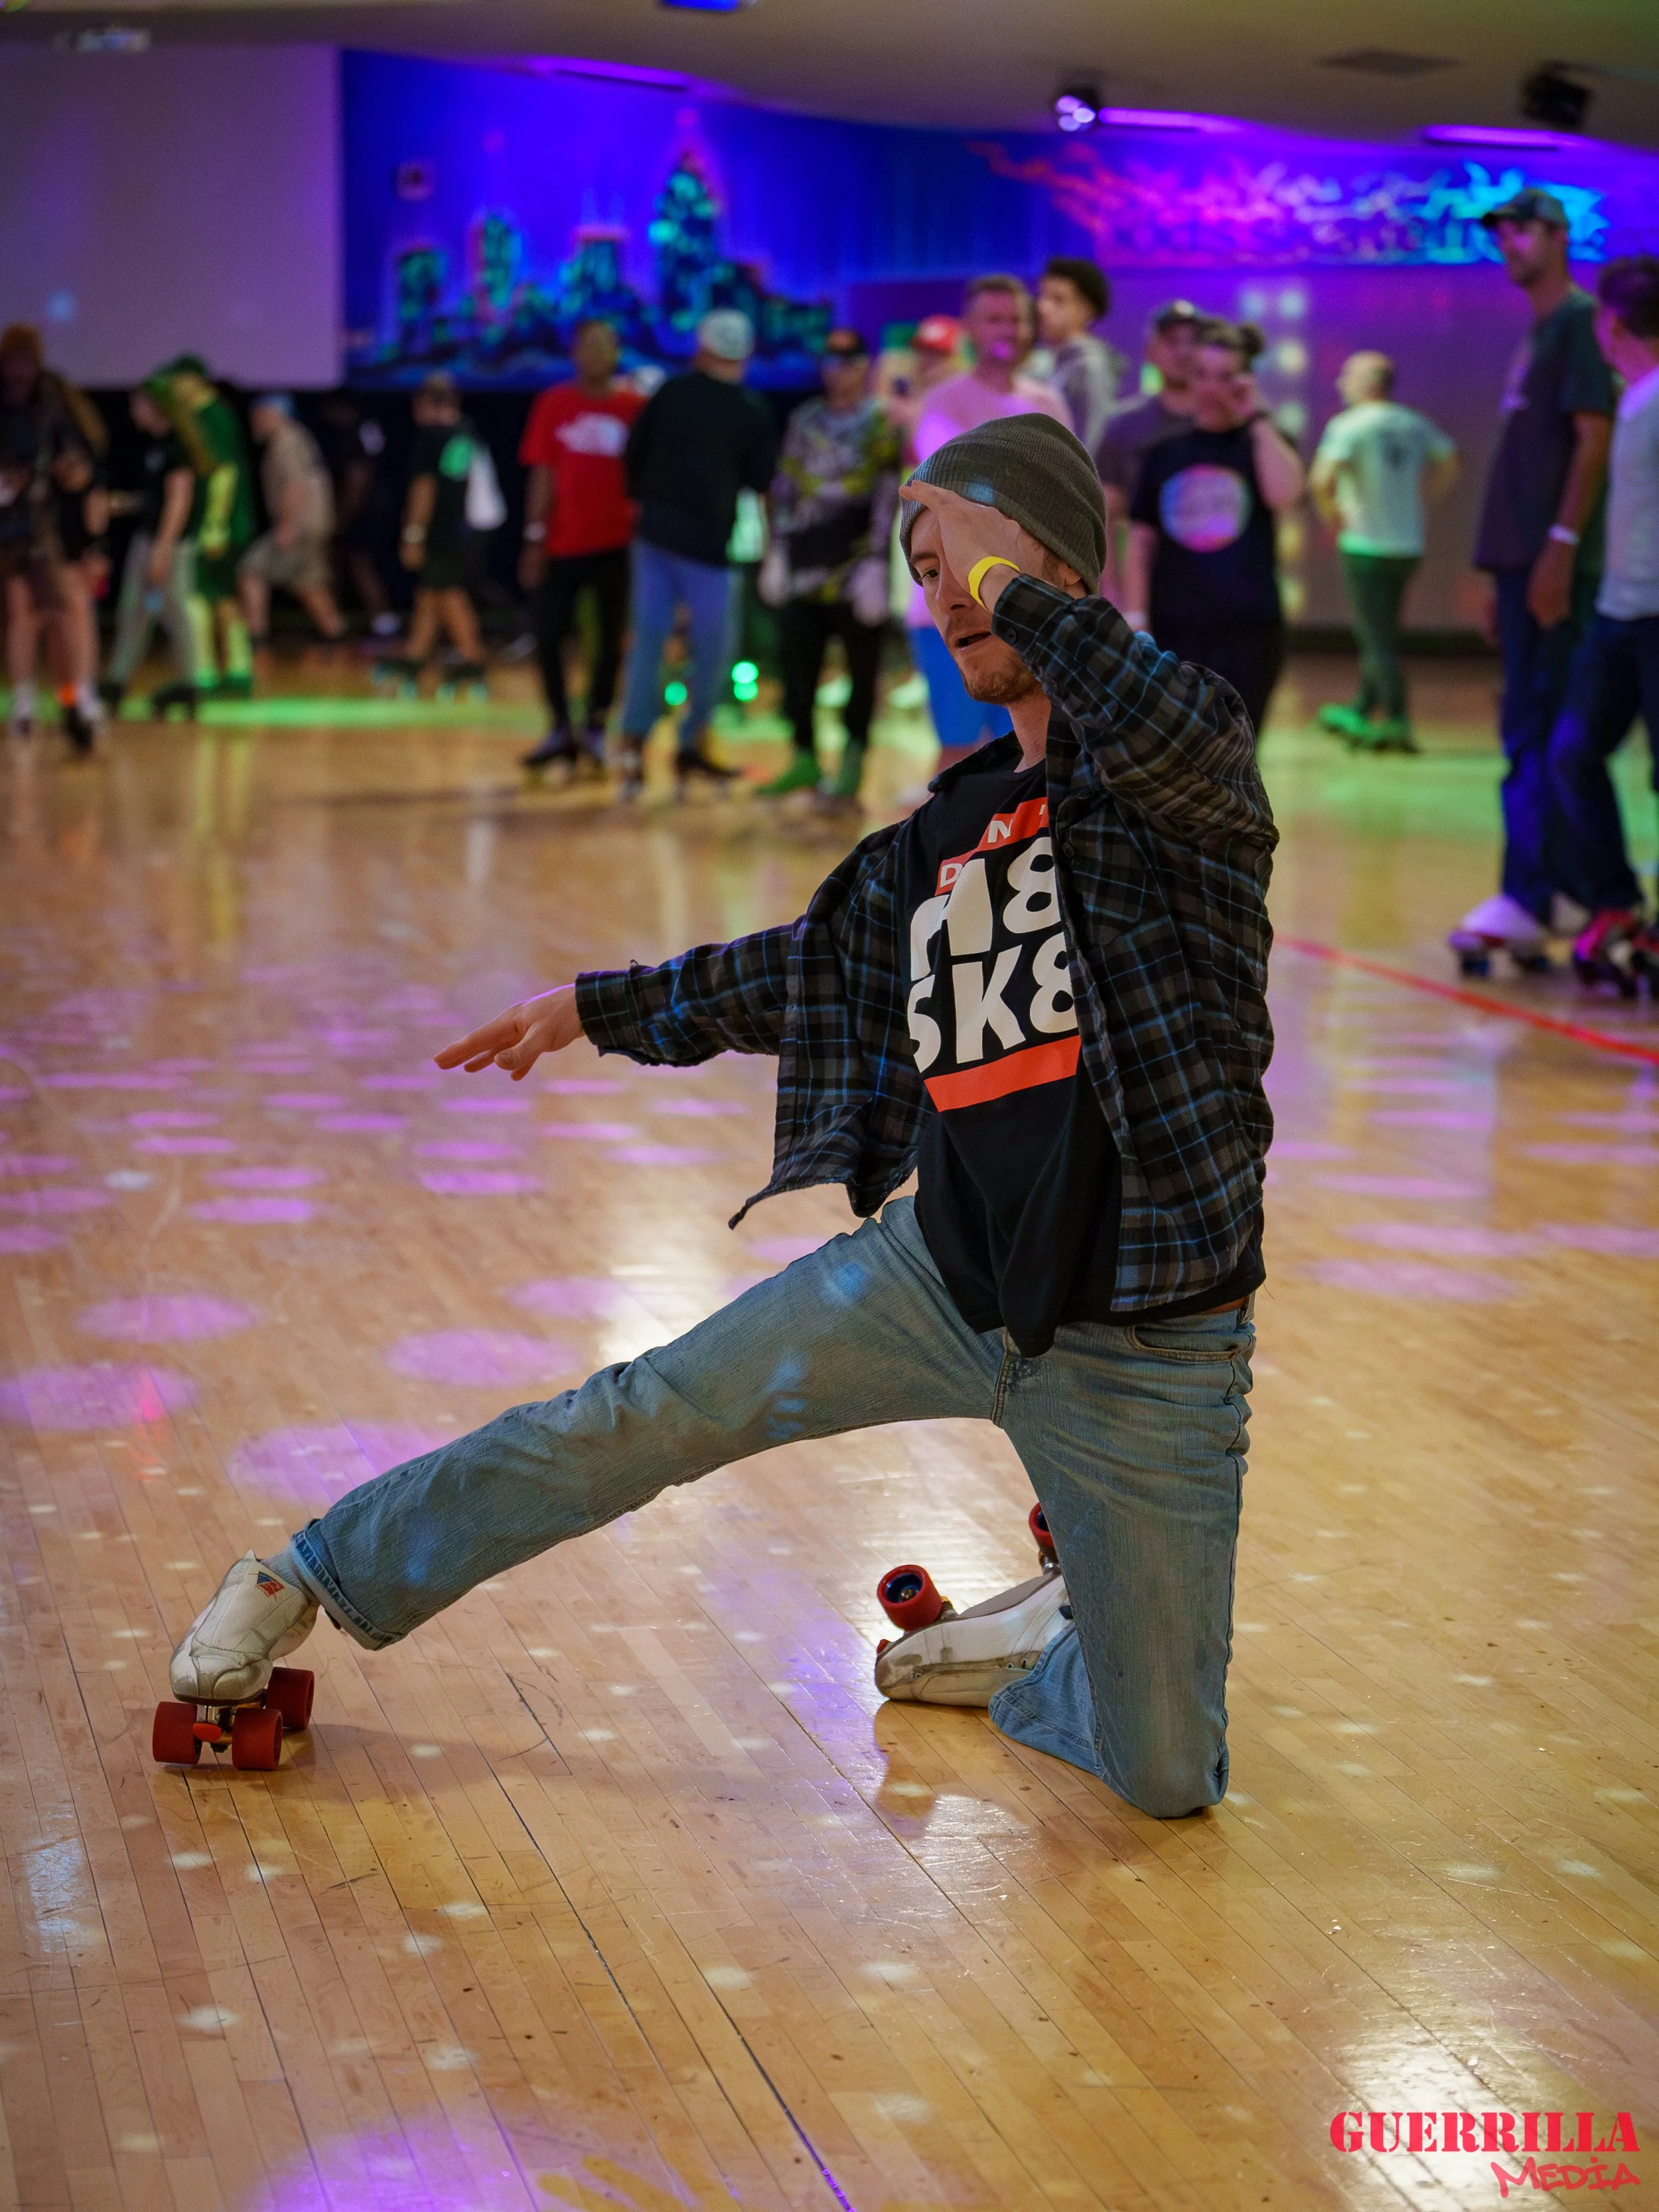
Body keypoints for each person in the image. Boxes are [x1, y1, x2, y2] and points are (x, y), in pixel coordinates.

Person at [166, 410, 1275, 1826]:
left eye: (966, 559)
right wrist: (598, 1003)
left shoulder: (1183, 780)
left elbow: (1154, 708)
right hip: (941, 1277)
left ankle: (1064, 1633)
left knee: (1168, 1775)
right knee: (642, 1413)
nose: (940, 593)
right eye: (922, 567)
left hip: (1148, 1342)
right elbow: (799, 974)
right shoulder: (942, 833)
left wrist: (1007, 574)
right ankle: (311, 1571)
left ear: (1055, 562)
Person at [1449, 188, 1616, 974]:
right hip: (1519, 570)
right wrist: (1500, 573)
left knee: (1538, 733)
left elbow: (1593, 442)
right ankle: (1552, 891)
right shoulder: (1539, 333)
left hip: (1552, 570)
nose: (1509, 243)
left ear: (1558, 236)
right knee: (1528, 729)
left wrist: (1557, 547)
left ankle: (1535, 893)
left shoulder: (1580, 323)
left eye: (1523, 229)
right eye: (1502, 232)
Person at [1546, 258, 1659, 984]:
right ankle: (1616, 902)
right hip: (1619, 614)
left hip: (1653, 618)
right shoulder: (1633, 399)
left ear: (1608, 324)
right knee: (1573, 754)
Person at [905, 275, 1070, 771]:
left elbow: (1065, 502)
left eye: (1016, 318)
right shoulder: (941, 403)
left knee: (1031, 747)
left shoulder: (1047, 403)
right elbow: (949, 497)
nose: (1008, 329)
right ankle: (952, 849)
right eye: (994, 318)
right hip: (952, 602)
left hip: (1030, 604)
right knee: (957, 751)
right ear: (971, 329)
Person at [616, 309, 778, 798]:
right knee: (713, 652)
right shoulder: (750, 409)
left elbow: (632, 460)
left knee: (649, 643)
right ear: (745, 355)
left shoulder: (670, 393)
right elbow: (759, 481)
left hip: (657, 538)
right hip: (709, 548)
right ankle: (689, 745)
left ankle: (632, 748)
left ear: (700, 348)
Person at [1125, 319, 1306, 736]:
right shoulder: (1161, 453)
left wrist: (1256, 417)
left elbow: (1285, 496)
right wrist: (1137, 620)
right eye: (1202, 375)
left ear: (1246, 381)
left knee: (1239, 754)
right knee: (1178, 754)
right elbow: (1140, 544)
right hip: (1176, 629)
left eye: (1225, 377)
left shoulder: (1264, 443)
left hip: (1251, 628)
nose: (1211, 388)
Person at [756, 328, 902, 804]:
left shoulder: (882, 422)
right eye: (831, 363)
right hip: (803, 561)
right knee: (798, 663)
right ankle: (803, 756)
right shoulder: (806, 419)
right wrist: (774, 550)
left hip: (857, 562)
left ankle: (855, 757)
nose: (838, 373)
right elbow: (784, 488)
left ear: (865, 367)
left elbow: (888, 492)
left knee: (862, 667)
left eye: (849, 363)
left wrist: (880, 563)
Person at [1310, 352, 1459, 752]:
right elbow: (1449, 461)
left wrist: (1333, 516)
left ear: (1369, 382)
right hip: (1407, 545)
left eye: (1349, 375)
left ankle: (1397, 719)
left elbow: (1321, 478)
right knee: (1382, 632)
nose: (1341, 382)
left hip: (1365, 545)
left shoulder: (1349, 425)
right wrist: (1422, 497)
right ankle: (1363, 705)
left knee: (1376, 639)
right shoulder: (1413, 423)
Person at [517, 319, 645, 773]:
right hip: (561, 543)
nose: (594, 354)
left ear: (615, 353)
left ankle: (594, 725)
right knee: (548, 634)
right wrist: (534, 537)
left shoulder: (635, 407)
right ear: (574, 354)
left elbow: (647, 478)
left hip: (619, 545)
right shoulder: (553, 404)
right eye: (586, 346)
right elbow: (542, 474)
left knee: (611, 642)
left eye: (604, 346)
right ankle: (558, 725)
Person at [0, 325, 94, 749]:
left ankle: (71, 700)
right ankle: (22, 703)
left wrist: (71, 469)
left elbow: (74, 453)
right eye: (13, 363)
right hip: (5, 527)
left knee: (58, 611)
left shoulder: (49, 399)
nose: (20, 374)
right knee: (21, 614)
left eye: (27, 364)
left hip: (36, 524)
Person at [155, 357, 257, 704]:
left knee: (203, 594)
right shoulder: (212, 415)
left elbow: (224, 473)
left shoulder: (211, 416)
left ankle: (205, 673)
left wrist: (215, 524)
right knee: (219, 595)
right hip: (224, 522)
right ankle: (234, 670)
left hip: (221, 524)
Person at [1096, 301, 1206, 603]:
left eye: (1193, 342)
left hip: (1219, 594)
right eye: (1172, 342)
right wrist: (1110, 591)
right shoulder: (1124, 425)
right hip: (1145, 593)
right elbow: (1106, 514)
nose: (1183, 351)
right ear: (1151, 351)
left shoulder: (1223, 421)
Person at [102, 386, 199, 715]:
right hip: (149, 540)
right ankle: (116, 682)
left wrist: (162, 549)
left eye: (138, 404)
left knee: (173, 613)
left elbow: (178, 502)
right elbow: (158, 499)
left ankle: (189, 686)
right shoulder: (156, 447)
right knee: (135, 612)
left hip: (166, 544)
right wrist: (124, 504)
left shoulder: (176, 449)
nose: (133, 411)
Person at [389, 373, 486, 695]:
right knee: (430, 594)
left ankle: (474, 663)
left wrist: (413, 535)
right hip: (468, 528)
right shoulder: (465, 431)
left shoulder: (430, 438)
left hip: (441, 531)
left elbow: (424, 489)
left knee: (448, 594)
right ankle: (415, 660)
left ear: (425, 404)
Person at [238, 396, 345, 648]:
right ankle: (335, 633)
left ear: (275, 413)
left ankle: (257, 638)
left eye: (260, 415)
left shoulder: (285, 440)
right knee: (307, 581)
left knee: (251, 570)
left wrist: (287, 526)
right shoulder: (299, 437)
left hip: (300, 525)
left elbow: (296, 485)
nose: (255, 422)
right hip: (315, 524)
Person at [317, 395, 398, 636]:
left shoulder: (354, 431)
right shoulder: (368, 428)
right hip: (378, 505)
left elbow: (358, 476)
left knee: (358, 561)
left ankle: (380, 620)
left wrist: (343, 516)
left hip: (366, 508)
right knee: (355, 562)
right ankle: (344, 619)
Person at [1031, 257, 1122, 457]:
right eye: (1042, 296)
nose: (1042, 308)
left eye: (1058, 300)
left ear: (1086, 310)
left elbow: (1091, 442)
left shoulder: (1090, 366)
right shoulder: (1044, 361)